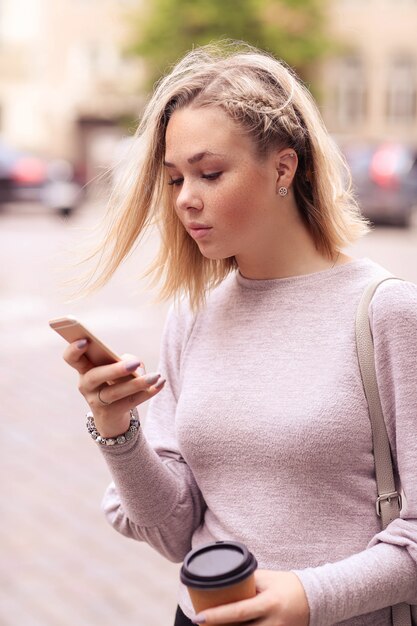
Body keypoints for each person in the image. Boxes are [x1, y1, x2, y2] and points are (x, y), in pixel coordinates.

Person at [62, 42, 417, 626]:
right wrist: (117, 429)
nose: (185, 200)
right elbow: (174, 531)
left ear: (283, 166)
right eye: (175, 179)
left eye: (210, 173)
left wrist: (308, 597)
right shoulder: (193, 314)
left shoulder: (386, 312)